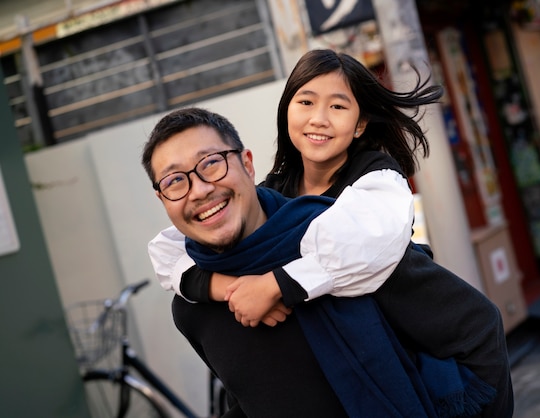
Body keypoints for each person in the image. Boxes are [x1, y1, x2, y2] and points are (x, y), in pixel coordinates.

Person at [142, 107, 502, 417]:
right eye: (176, 180)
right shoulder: (193, 309)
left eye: (211, 163)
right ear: (163, 200)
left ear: (247, 165)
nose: (201, 189)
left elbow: (477, 329)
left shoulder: (340, 242)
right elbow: (257, 400)